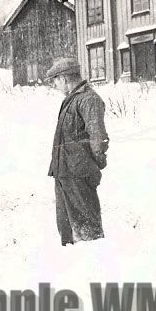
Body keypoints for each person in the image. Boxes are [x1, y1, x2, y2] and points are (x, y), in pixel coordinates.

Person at [45, 57, 109, 245]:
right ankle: (72, 266)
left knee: (88, 229)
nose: (55, 85)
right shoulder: (71, 100)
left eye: (55, 80)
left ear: (64, 79)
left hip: (78, 174)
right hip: (64, 173)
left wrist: (92, 165)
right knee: (67, 229)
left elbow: (98, 137)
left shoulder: (88, 99)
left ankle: (94, 269)